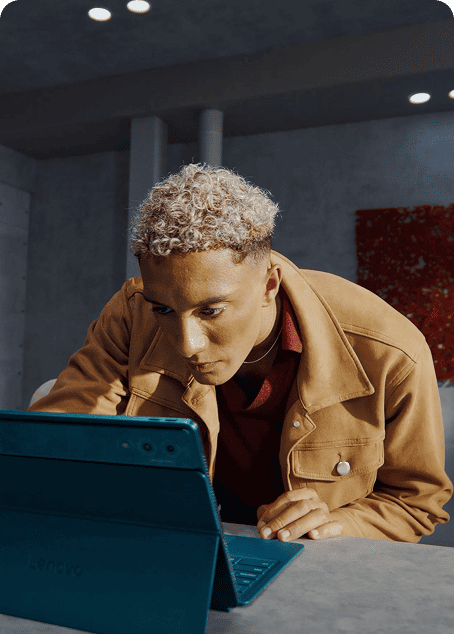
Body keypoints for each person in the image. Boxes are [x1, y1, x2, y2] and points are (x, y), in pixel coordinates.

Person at [28, 162, 453, 543]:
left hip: (313, 569)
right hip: (176, 549)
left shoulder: (392, 351)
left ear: (269, 285)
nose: (187, 344)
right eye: (164, 310)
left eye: (210, 310)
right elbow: (55, 445)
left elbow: (416, 503)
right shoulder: (131, 313)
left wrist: (338, 524)